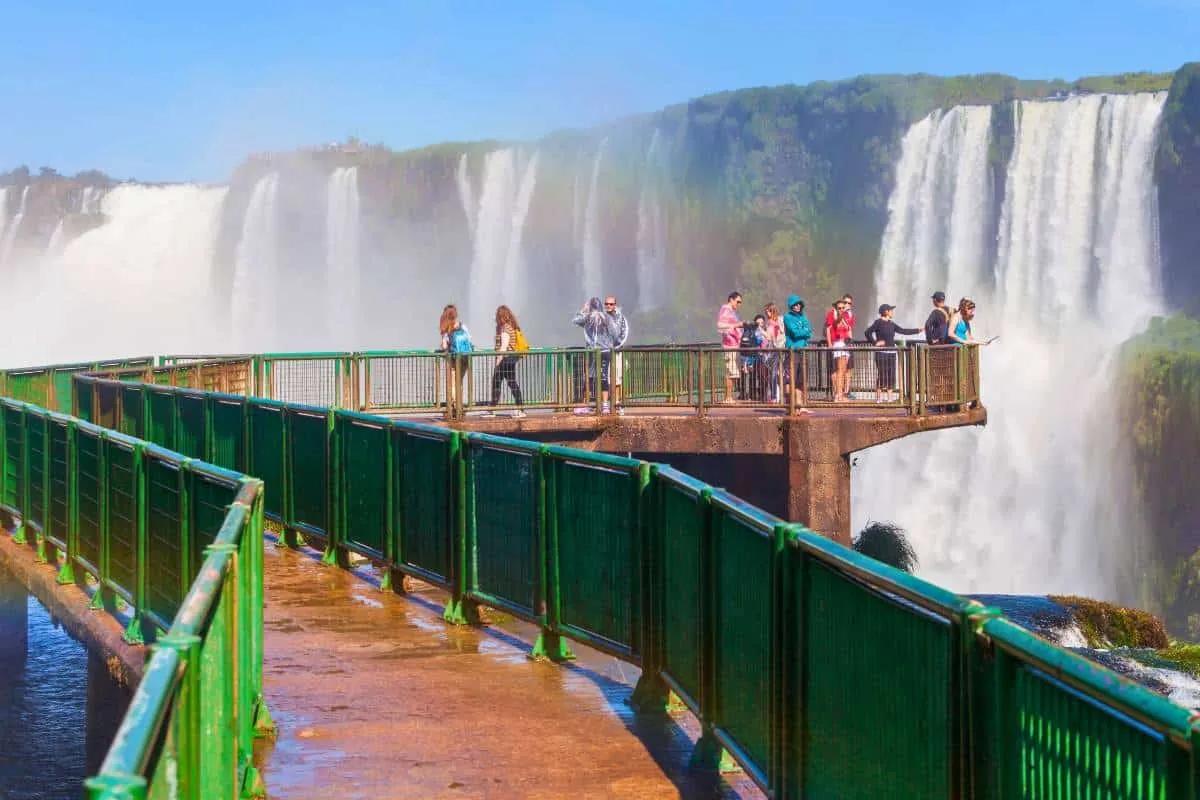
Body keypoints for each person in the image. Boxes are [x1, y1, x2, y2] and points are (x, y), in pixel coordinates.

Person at [864, 304, 920, 403]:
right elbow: (867, 332)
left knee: (891, 375)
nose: (892, 312)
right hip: (881, 352)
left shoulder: (891, 324)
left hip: (892, 352)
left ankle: (890, 398)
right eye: (891, 310)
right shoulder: (878, 323)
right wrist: (875, 343)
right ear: (886, 312)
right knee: (882, 374)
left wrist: (918, 330)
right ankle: (879, 397)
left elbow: (903, 331)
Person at [572, 297, 620, 414]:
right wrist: (610, 343)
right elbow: (615, 334)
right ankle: (605, 406)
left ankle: (587, 405)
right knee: (603, 377)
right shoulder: (607, 317)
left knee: (589, 377)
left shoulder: (588, 318)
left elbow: (574, 320)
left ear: (591, 307)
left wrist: (583, 310)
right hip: (606, 351)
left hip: (593, 352)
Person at [483, 305, 525, 418]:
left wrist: (498, 360)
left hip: (506, 359)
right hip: (509, 358)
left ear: (500, 316)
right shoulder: (509, 326)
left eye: (497, 316)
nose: (495, 318)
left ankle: (493, 409)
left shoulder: (505, 328)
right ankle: (520, 408)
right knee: (510, 382)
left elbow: (504, 346)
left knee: (498, 382)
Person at [438, 304, 472, 415]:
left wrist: (443, 347)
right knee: (459, 382)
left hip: (453, 359)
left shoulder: (447, 329)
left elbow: (444, 346)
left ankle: (456, 407)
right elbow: (470, 340)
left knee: (452, 384)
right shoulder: (463, 326)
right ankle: (459, 406)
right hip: (465, 357)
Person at [782, 295, 812, 410]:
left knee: (801, 379)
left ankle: (799, 405)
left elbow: (809, 332)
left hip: (803, 351)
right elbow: (795, 333)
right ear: (791, 306)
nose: (798, 306)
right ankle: (789, 405)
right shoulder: (787, 317)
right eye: (795, 304)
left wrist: (804, 331)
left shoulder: (803, 317)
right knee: (790, 379)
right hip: (792, 351)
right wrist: (804, 331)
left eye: (799, 304)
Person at [824, 298, 853, 401]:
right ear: (836, 309)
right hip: (839, 345)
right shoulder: (836, 318)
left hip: (845, 345)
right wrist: (830, 343)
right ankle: (838, 395)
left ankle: (840, 395)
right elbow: (834, 325)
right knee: (840, 371)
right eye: (839, 308)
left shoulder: (845, 318)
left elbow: (849, 330)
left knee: (843, 371)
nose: (841, 309)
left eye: (843, 307)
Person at [716, 291, 743, 402]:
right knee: (730, 372)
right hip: (729, 346)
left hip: (734, 345)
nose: (739, 304)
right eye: (738, 301)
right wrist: (737, 325)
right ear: (731, 299)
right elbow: (720, 326)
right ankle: (728, 397)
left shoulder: (732, 311)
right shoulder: (726, 309)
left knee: (733, 372)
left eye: (740, 302)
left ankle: (729, 397)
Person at [605, 296, 629, 415]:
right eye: (606, 304)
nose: (608, 306)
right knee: (607, 379)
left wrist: (615, 344)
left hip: (617, 352)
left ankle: (618, 404)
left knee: (618, 380)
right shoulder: (602, 318)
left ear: (615, 305)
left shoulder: (621, 318)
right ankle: (610, 404)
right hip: (606, 352)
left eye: (611, 304)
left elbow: (623, 334)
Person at [763, 303, 786, 402]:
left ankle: (776, 396)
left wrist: (760, 330)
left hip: (781, 348)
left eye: (768, 311)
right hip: (776, 349)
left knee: (778, 372)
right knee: (775, 372)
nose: (766, 313)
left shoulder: (780, 320)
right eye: (766, 312)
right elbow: (769, 337)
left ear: (772, 311)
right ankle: (775, 395)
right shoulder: (770, 322)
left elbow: (770, 335)